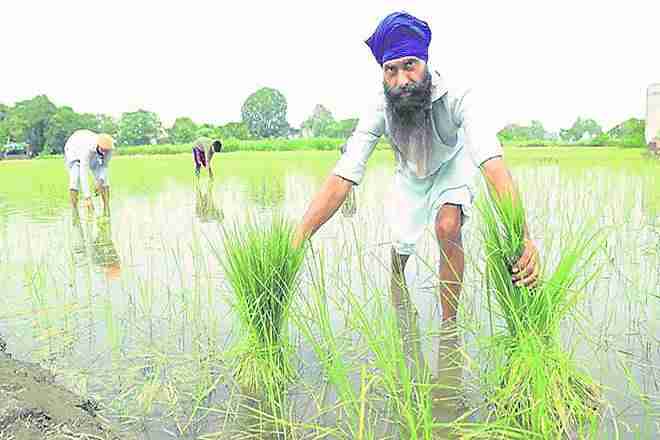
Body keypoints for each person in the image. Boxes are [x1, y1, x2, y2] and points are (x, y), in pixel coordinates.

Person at [293, 11, 540, 325]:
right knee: (401, 242)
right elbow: (344, 174)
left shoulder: (458, 96)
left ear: (425, 62)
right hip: (409, 173)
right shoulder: (379, 106)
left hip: (452, 164)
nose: (402, 81)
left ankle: (449, 326)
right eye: (391, 70)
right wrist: (298, 238)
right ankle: (397, 277)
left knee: (448, 226)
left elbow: (491, 163)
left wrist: (524, 236)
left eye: (410, 65)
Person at [64, 129, 114, 217]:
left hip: (93, 151)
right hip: (73, 149)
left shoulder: (110, 149)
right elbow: (83, 173)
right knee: (75, 179)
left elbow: (104, 166)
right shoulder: (87, 149)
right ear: (98, 146)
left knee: (105, 181)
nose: (105, 152)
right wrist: (88, 198)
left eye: (107, 151)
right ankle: (75, 210)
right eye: (103, 150)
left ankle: (106, 208)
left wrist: (100, 181)